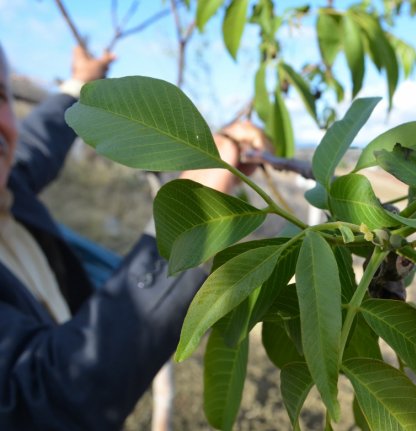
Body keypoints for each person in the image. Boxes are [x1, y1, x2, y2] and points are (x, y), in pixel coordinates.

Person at [0, 43, 268, 430]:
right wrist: (189, 218)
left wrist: (79, 84)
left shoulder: (10, 185)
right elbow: (40, 401)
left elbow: (36, 143)